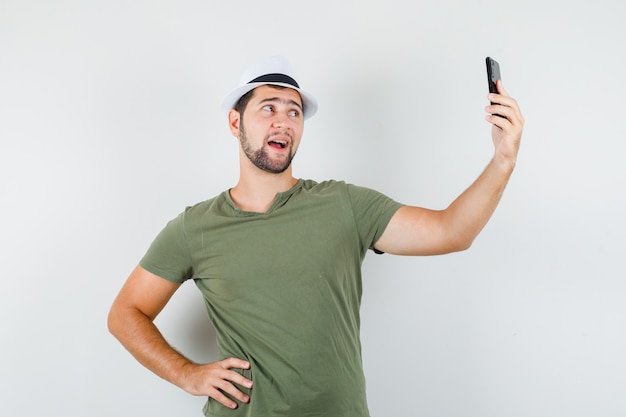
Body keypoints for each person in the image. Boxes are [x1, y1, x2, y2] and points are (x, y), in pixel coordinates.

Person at [108, 55, 524, 417]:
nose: (283, 121)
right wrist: (187, 375)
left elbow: (452, 231)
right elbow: (126, 313)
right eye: (268, 108)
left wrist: (503, 159)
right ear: (235, 122)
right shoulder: (195, 227)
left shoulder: (343, 204)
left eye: (293, 111)